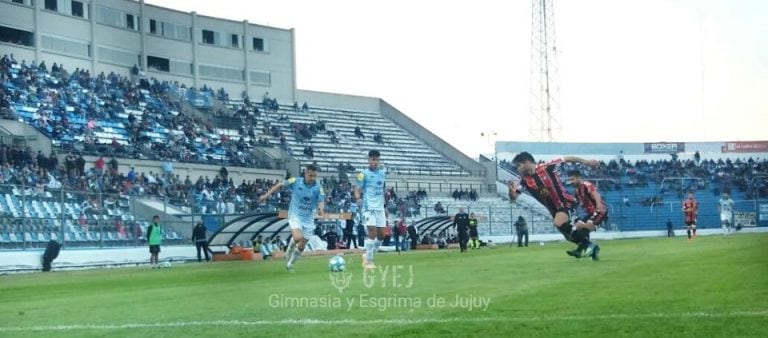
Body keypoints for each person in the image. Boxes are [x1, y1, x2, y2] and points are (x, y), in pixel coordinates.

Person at [508, 152, 599, 256]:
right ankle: (584, 248)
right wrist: (511, 190)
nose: (518, 169)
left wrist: (587, 162)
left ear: (526, 162)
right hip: (554, 210)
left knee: (558, 222)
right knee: (568, 236)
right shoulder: (524, 181)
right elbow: (513, 197)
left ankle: (589, 245)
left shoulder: (547, 167)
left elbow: (568, 158)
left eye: (519, 166)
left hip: (565, 203)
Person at [259, 164, 325, 272]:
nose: (313, 178)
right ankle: (289, 248)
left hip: (308, 219)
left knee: (302, 245)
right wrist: (266, 195)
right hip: (295, 215)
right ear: (306, 173)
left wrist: (321, 209)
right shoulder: (296, 181)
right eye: (311, 176)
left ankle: (290, 264)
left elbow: (321, 200)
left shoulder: (318, 187)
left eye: (314, 176)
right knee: (298, 237)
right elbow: (280, 184)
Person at [355, 150, 387, 269]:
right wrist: (358, 198)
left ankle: (367, 255)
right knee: (372, 232)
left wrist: (385, 205)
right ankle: (368, 261)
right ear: (368, 160)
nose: (375, 162)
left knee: (382, 235)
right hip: (368, 207)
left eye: (377, 160)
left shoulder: (382, 173)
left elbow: (382, 190)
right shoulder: (363, 174)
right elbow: (357, 189)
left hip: (380, 208)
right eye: (373, 159)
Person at [567, 170, 607, 260]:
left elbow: (595, 193)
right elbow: (577, 203)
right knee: (575, 230)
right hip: (591, 213)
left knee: (586, 226)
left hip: (600, 211)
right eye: (569, 180)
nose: (571, 182)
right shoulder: (577, 191)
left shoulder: (586, 185)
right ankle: (584, 250)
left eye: (572, 179)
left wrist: (598, 204)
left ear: (578, 178)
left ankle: (590, 248)